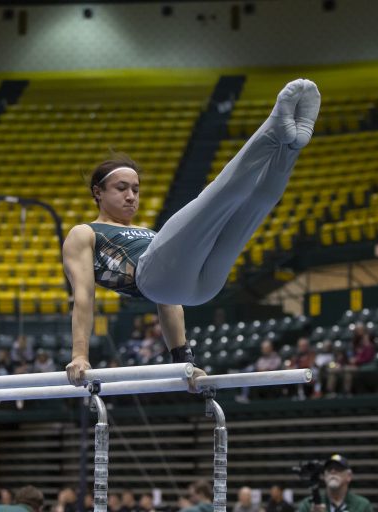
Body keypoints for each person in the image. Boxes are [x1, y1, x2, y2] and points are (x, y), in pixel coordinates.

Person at [64, 79, 321, 389]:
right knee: (218, 198)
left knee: (253, 208)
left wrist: (184, 365)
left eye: (136, 189)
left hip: (196, 289)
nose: (131, 196)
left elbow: (170, 305)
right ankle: (272, 130)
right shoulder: (84, 233)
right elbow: (84, 295)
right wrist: (80, 355)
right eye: (121, 189)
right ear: (98, 192)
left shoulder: (151, 234)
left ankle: (290, 147)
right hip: (152, 280)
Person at [296, 455, 373, 512]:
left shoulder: (362, 505)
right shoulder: (309, 505)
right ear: (324, 476)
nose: (333, 472)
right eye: (329, 469)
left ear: (349, 476)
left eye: (338, 469)